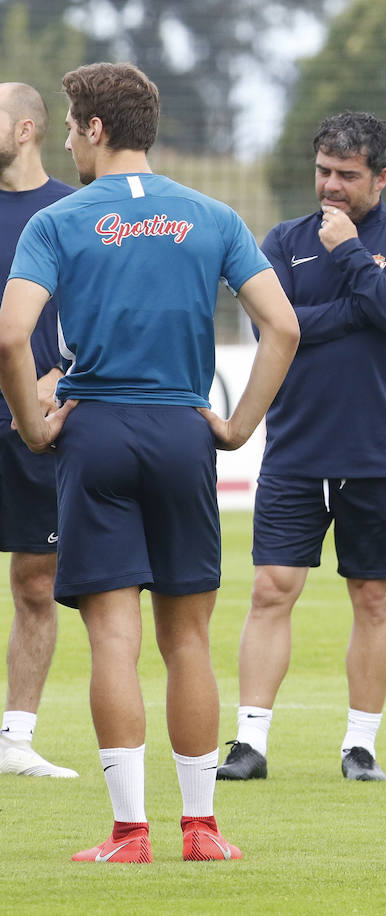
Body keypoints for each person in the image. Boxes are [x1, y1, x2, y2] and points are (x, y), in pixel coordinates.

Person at [0, 62, 299, 863]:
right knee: (189, 640)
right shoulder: (212, 216)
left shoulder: (58, 221)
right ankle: (201, 829)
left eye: (70, 126)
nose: (66, 140)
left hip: (94, 431)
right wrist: (236, 427)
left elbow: (9, 334)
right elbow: (285, 327)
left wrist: (34, 425)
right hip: (182, 433)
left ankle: (129, 833)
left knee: (112, 641)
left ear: (95, 130)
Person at [217, 111, 386, 783]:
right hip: (294, 450)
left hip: (378, 453)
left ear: (382, 176)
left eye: (347, 175)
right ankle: (250, 742)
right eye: (323, 172)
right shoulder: (282, 242)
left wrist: (349, 257)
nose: (332, 187)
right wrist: (364, 303)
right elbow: (274, 329)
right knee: (271, 590)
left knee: (374, 598)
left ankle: (360, 746)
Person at [0, 82, 77, 780]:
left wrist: (65, 372)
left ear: (27, 128)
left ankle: (14, 740)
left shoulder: (68, 211)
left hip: (35, 423)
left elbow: (105, 307)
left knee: (35, 581)